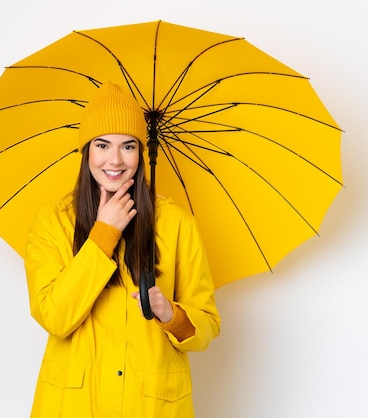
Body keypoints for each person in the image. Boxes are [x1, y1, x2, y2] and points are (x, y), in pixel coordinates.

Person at [24, 82, 221, 418]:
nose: (114, 159)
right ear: (87, 151)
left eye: (128, 146)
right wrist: (105, 233)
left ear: (142, 153)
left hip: (150, 404)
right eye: (102, 145)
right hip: (75, 405)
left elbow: (207, 326)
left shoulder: (176, 223)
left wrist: (171, 314)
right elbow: (55, 317)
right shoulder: (52, 221)